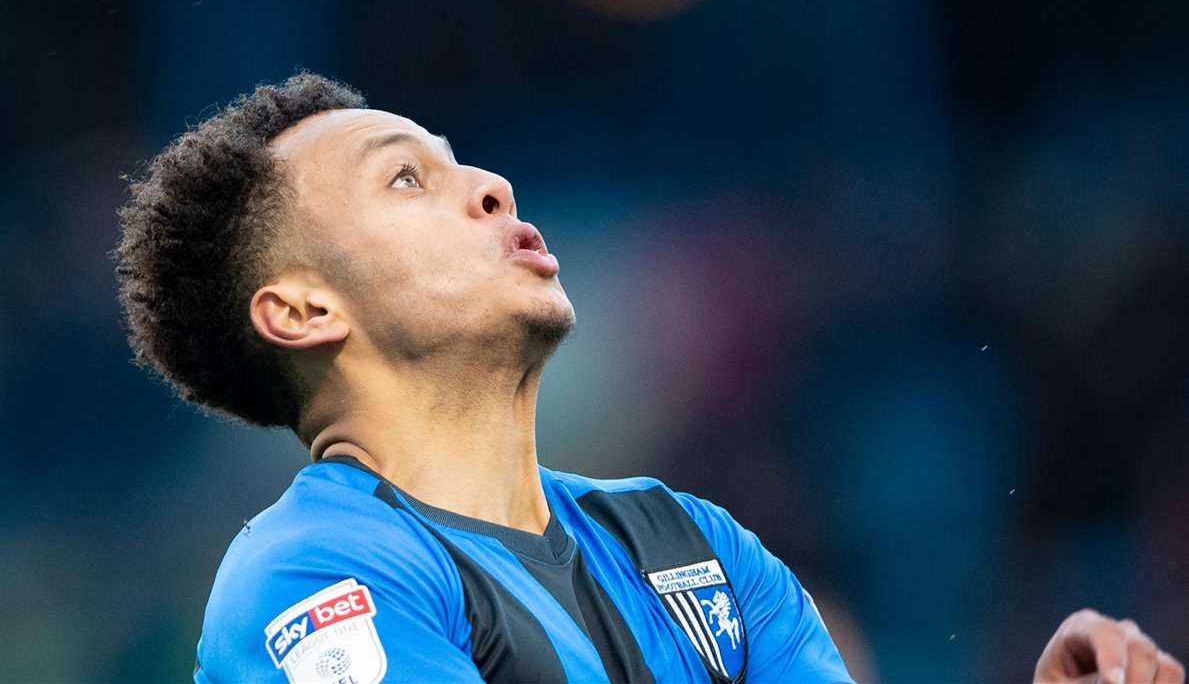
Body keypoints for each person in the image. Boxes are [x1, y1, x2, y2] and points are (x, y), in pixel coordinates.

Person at [113, 73, 1184, 684]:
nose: (487, 186)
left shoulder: (697, 547)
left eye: (460, 159)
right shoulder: (313, 579)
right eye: (406, 177)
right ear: (303, 310)